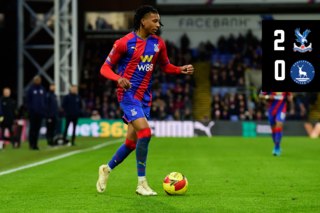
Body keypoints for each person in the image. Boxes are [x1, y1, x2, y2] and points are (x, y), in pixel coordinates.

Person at [97, 5, 194, 196]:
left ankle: (106, 169)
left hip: (145, 97)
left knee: (131, 143)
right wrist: (118, 78)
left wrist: (179, 69)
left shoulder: (158, 44)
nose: (158, 24)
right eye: (155, 21)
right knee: (146, 132)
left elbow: (165, 67)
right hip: (128, 95)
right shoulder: (124, 43)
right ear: (143, 20)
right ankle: (141, 183)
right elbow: (104, 68)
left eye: (159, 21)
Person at [259, 92, 292, 156]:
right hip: (271, 110)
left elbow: (290, 97)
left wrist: (290, 99)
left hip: (282, 109)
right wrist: (267, 97)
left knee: (279, 125)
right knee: (273, 129)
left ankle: (276, 148)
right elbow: (260, 96)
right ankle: (278, 146)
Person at [26, 76, 47, 150]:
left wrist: (44, 109)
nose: (37, 81)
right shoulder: (30, 89)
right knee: (32, 128)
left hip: (40, 113)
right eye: (36, 80)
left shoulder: (42, 89)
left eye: (39, 80)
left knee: (37, 129)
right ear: (34, 80)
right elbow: (27, 100)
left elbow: (45, 100)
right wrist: (31, 109)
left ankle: (35, 144)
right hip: (32, 113)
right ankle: (31, 144)